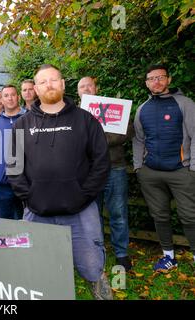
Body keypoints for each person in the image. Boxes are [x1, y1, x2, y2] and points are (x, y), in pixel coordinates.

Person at [7, 64, 113, 299]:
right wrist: (29, 195)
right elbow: (14, 166)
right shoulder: (22, 125)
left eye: (54, 80)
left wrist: (85, 194)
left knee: (92, 264)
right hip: (37, 212)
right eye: (43, 82)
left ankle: (99, 290)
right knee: (38, 268)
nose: (49, 85)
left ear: (63, 84)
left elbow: (101, 162)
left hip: (80, 210)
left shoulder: (86, 120)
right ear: (35, 89)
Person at [133, 64, 195, 272]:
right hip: (151, 173)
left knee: (189, 215)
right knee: (160, 215)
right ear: (146, 83)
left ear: (168, 79)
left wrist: (192, 166)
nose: (156, 82)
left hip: (181, 170)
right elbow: (139, 140)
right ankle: (169, 256)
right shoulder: (142, 109)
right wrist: (139, 167)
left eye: (160, 77)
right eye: (151, 79)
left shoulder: (185, 103)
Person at [77, 76, 133, 271]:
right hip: (88, 172)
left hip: (114, 168)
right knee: (92, 215)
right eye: (82, 86)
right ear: (78, 92)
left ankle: (121, 254)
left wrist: (96, 140)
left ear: (96, 88)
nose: (86, 89)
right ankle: (97, 252)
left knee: (118, 212)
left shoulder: (113, 107)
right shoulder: (74, 114)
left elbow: (126, 132)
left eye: (89, 85)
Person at [0, 85, 26, 220]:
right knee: (6, 222)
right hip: (4, 184)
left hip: (27, 182)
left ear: (18, 97)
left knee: (28, 221)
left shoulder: (30, 118)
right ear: (2, 99)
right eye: (6, 96)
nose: (10, 98)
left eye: (13, 95)